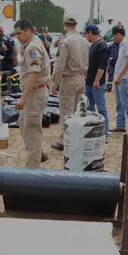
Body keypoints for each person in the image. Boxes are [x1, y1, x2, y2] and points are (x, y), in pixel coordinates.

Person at [12, 19, 52, 168]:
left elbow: (33, 75)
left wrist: (23, 98)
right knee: (23, 123)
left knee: (31, 131)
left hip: (34, 93)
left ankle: (32, 169)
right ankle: (39, 154)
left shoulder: (32, 48)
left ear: (28, 30)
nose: (17, 37)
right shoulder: (31, 44)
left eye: (19, 33)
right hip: (34, 92)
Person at [50, 13, 88, 151]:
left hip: (69, 79)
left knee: (66, 112)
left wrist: (55, 83)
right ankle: (77, 139)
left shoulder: (65, 41)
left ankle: (65, 141)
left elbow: (59, 65)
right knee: (79, 112)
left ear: (64, 24)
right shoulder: (83, 40)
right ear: (76, 24)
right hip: (81, 78)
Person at [83, 23, 110, 139]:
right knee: (89, 108)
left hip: (96, 84)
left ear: (90, 33)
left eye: (86, 34)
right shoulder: (93, 45)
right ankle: (92, 130)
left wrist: (97, 80)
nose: (85, 37)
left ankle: (105, 133)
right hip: (89, 83)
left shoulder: (101, 46)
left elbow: (102, 66)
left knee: (101, 109)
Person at [0, 25, 17, 93]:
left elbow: (14, 47)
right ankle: (4, 90)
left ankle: (15, 90)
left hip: (10, 60)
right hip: (3, 60)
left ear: (0, 32)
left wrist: (15, 58)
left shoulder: (6, 38)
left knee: (12, 75)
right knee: (3, 76)